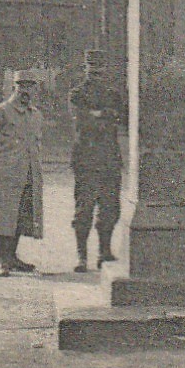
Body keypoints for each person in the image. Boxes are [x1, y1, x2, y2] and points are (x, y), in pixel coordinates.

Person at [0, 69, 46, 277]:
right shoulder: (0, 112)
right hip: (6, 172)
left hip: (29, 172)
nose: (26, 91)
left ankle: (12, 257)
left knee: (21, 215)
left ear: (35, 89)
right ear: (14, 87)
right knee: (2, 216)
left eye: (30, 86)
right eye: (22, 86)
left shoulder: (36, 115)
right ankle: (2, 260)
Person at [69, 55, 124, 273]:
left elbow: (119, 118)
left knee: (110, 208)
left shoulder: (114, 95)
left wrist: (98, 115)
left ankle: (105, 251)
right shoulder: (77, 94)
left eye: (100, 71)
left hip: (109, 158)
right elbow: (81, 121)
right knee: (84, 208)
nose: (96, 75)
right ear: (85, 70)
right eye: (92, 71)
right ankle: (82, 256)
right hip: (87, 159)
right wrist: (103, 116)